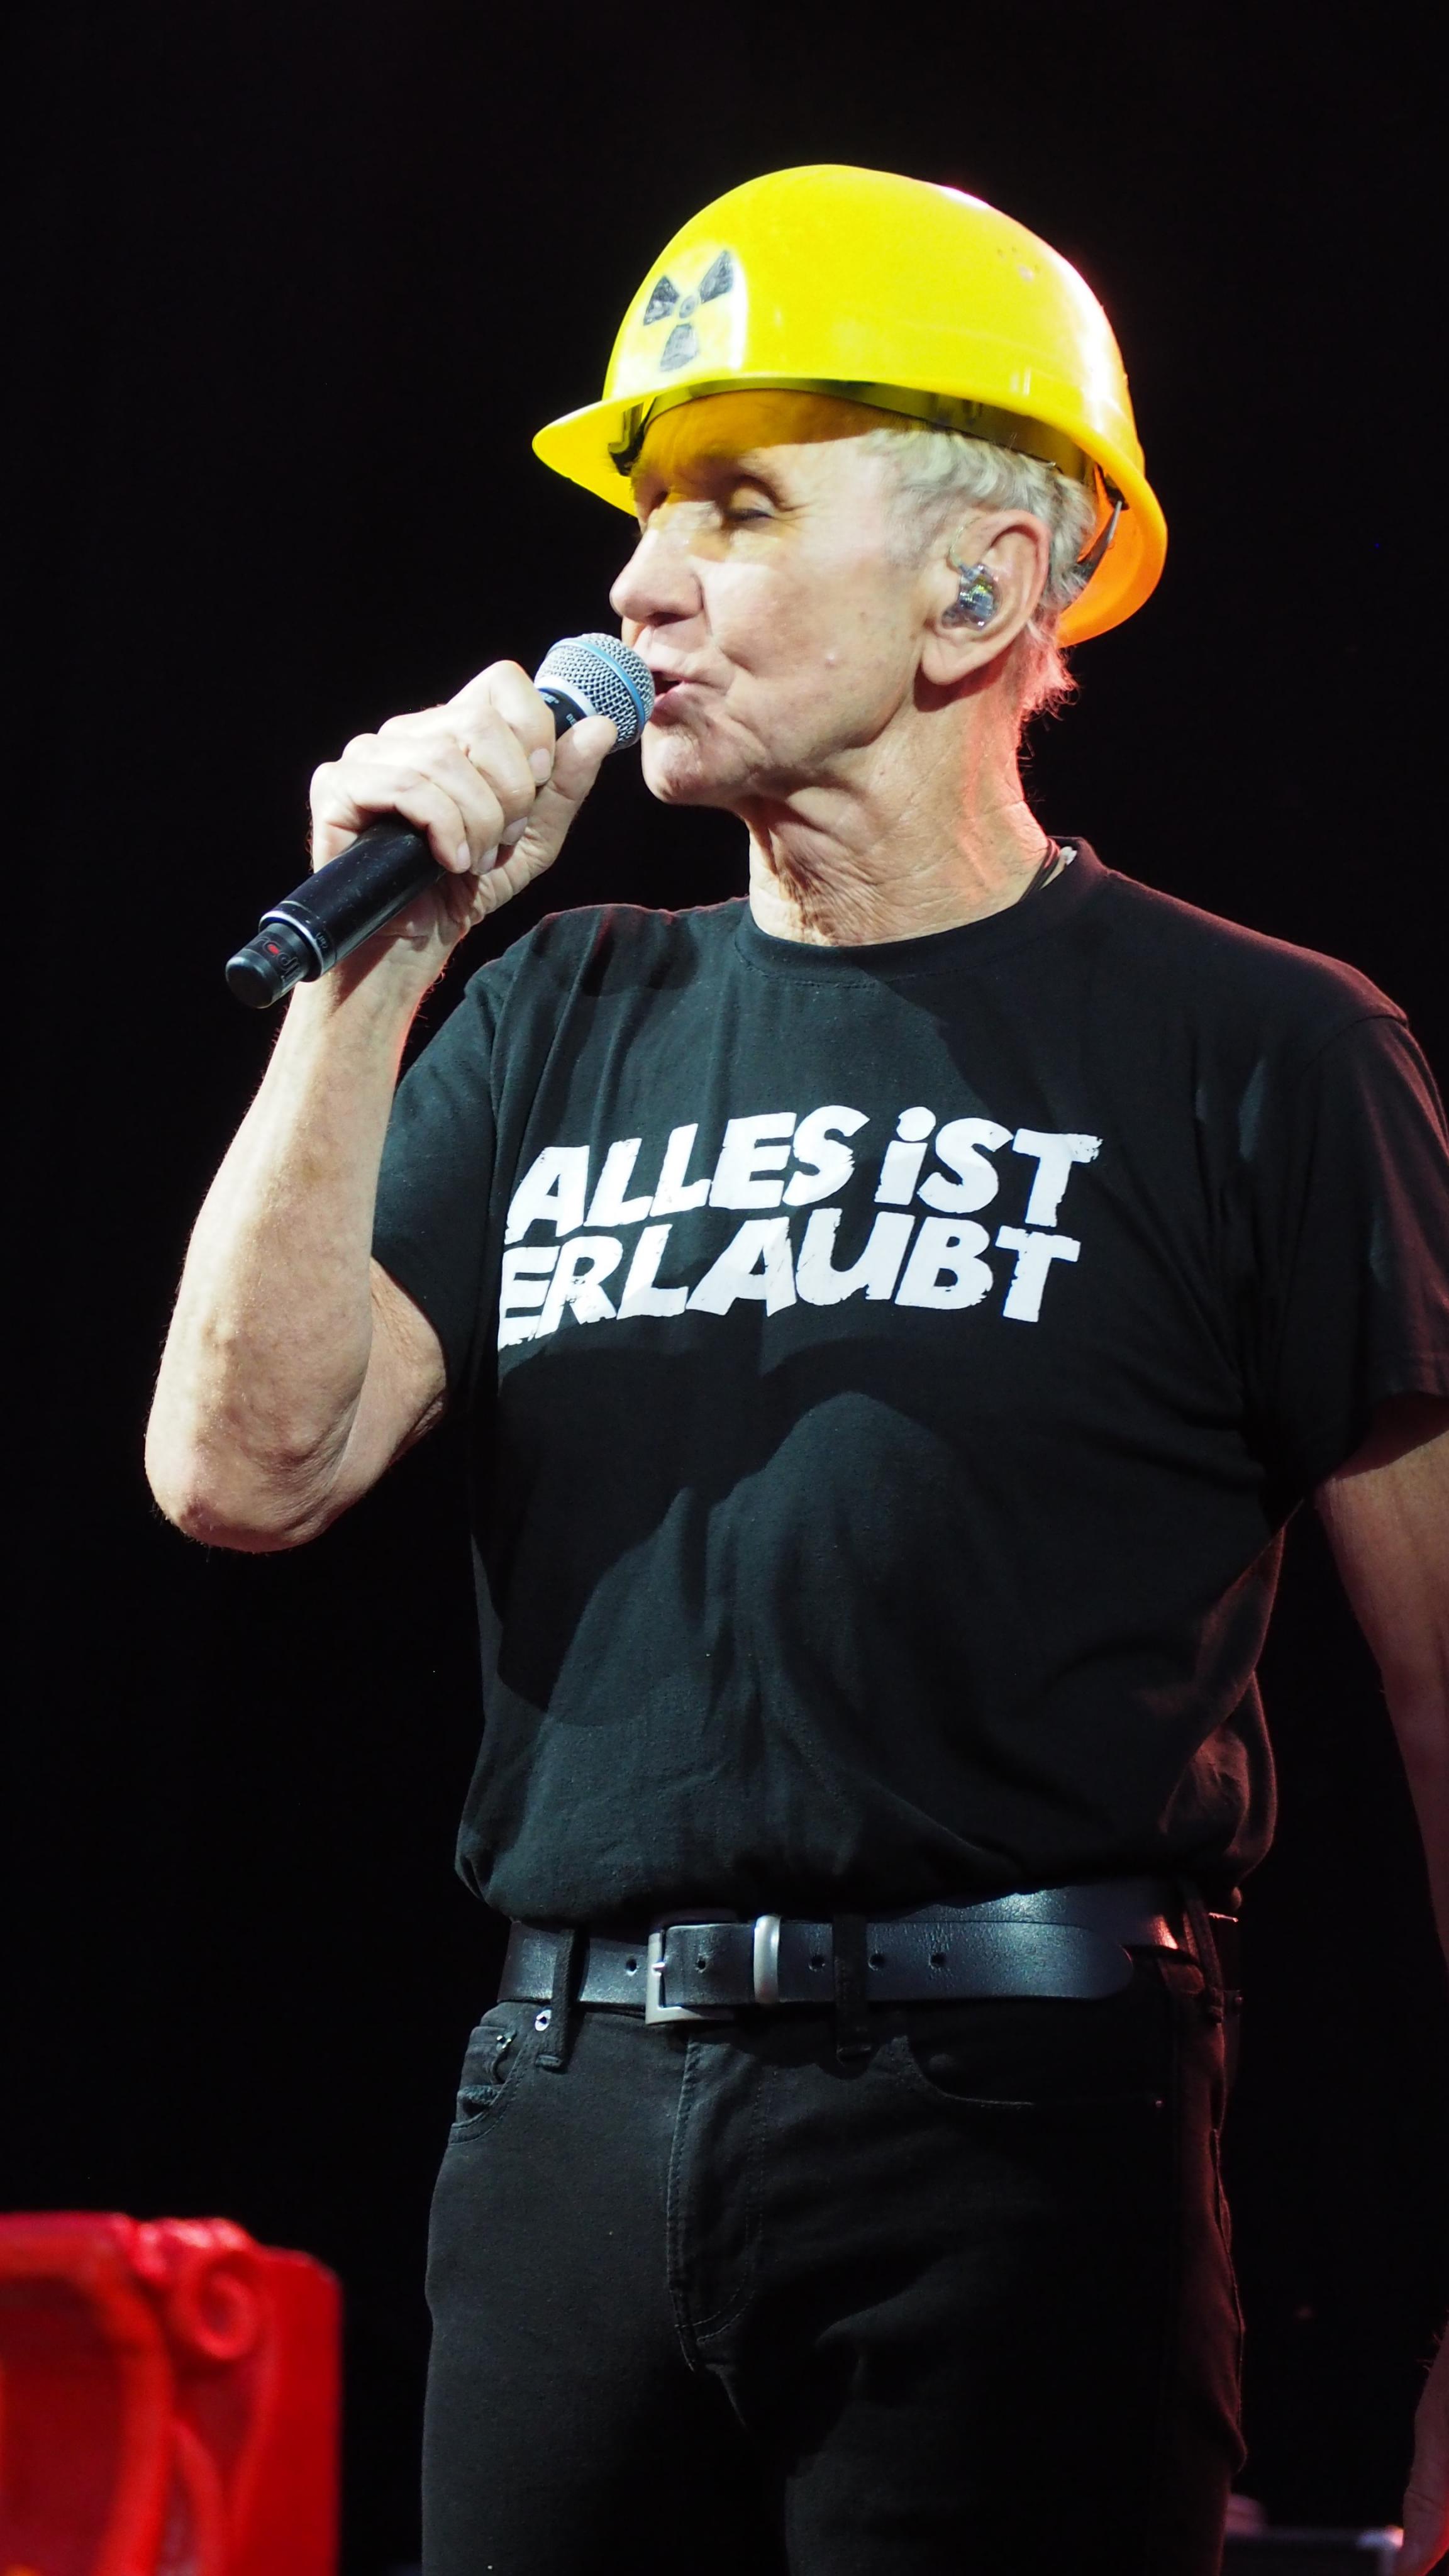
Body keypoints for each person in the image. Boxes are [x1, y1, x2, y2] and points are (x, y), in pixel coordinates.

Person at [145, 167, 1449, 2575]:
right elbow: (240, 1467)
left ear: (984, 590)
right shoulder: (549, 1014)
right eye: (645, 519)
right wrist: (383, 972)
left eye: (737, 510)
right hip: (562, 2113)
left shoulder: (1261, 1053)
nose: (637, 590)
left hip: (1017, 2130)